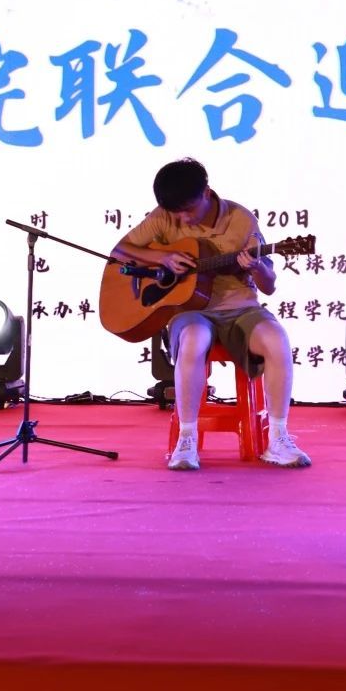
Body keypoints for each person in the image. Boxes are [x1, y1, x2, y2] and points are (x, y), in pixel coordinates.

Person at [111, 158, 311, 471]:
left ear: (206, 192)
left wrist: (257, 267)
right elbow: (121, 251)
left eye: (188, 210)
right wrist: (162, 256)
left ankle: (278, 438)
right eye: (176, 213)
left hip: (240, 308)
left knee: (277, 340)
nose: (183, 219)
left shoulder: (240, 219)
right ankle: (187, 439)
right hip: (191, 311)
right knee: (193, 338)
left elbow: (269, 286)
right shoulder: (164, 216)